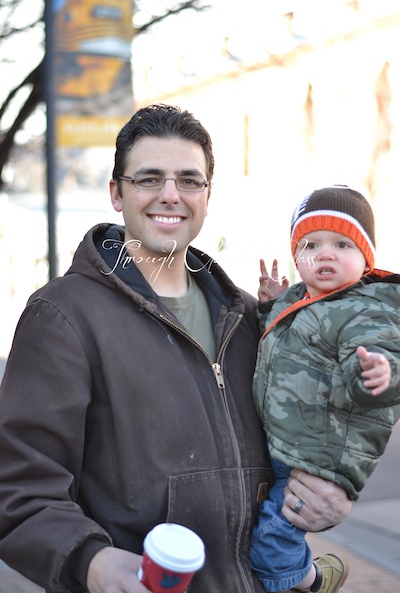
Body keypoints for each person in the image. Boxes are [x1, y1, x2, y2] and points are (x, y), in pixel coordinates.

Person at [0, 105, 351, 593]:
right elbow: (19, 490)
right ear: (116, 193)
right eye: (149, 179)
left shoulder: (251, 320)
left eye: (189, 180)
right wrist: (94, 563)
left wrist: (326, 494)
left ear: (207, 196)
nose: (170, 195)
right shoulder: (63, 317)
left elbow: (300, 443)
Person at [250, 185, 400, 593]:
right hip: (288, 445)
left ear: (366, 258)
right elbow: (283, 346)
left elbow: (377, 357)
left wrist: (378, 374)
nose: (325, 254)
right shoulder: (299, 298)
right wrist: (270, 306)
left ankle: (313, 580)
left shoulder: (366, 309)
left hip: (317, 458)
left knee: (270, 544)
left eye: (342, 244)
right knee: (261, 527)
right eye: (311, 245)